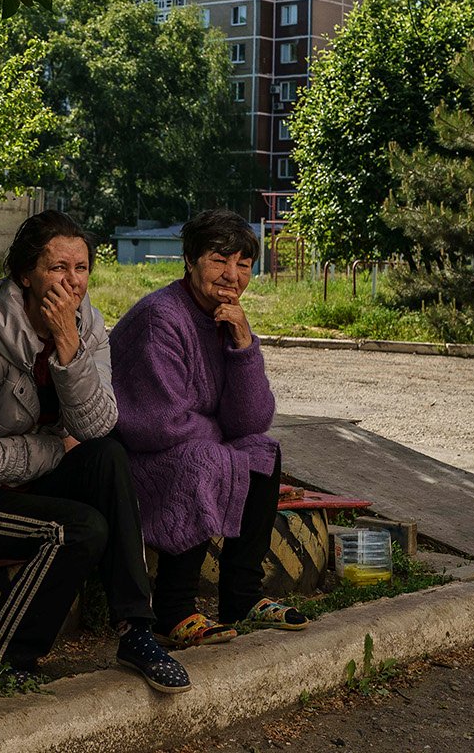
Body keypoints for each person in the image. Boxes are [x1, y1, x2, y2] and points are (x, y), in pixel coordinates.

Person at [0, 210, 190, 692]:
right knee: (81, 530)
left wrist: (70, 351)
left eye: (82, 268)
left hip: (23, 480)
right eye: (57, 268)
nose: (73, 282)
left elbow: (97, 426)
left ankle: (136, 631)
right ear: (25, 274)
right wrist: (55, 448)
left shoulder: (87, 327)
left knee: (108, 456)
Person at [110, 209, 308, 647]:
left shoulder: (226, 318)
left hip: (187, 446)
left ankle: (243, 597)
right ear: (190, 259)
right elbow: (158, 422)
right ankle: (173, 609)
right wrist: (220, 438)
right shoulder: (160, 317)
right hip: (134, 461)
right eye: (220, 260)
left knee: (261, 449)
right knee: (209, 457)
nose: (232, 276)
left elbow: (252, 421)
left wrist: (243, 345)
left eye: (243, 264)